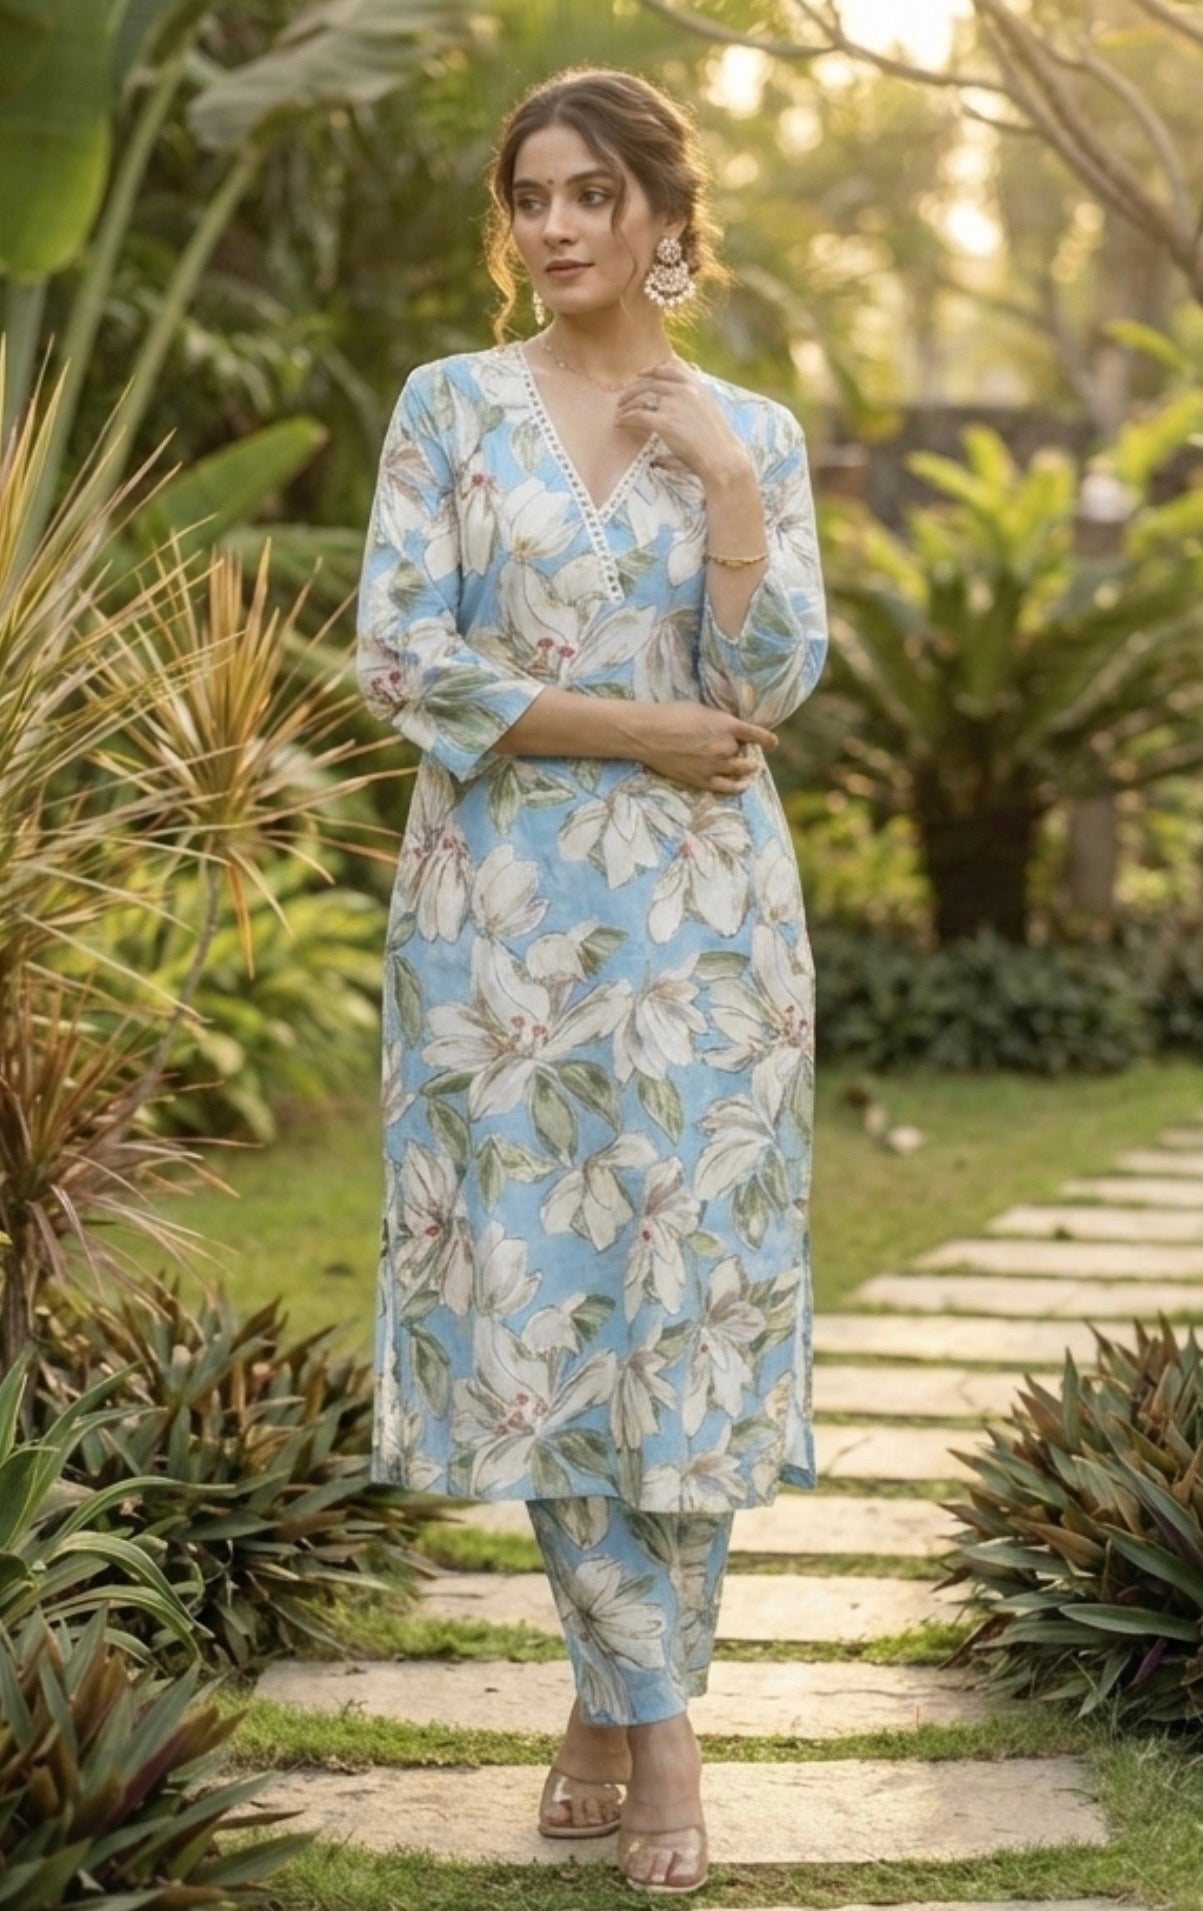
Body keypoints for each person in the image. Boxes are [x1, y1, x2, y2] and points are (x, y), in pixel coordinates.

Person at [355, 64, 828, 1897]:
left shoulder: (754, 431)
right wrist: (633, 726)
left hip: (710, 941)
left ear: (665, 219)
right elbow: (406, 660)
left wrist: (727, 483)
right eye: (532, 196)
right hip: (502, 939)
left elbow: (766, 688)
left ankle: (612, 1701)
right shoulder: (449, 409)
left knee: (683, 1315)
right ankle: (667, 1729)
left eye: (592, 195)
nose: (556, 226)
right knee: (555, 1310)